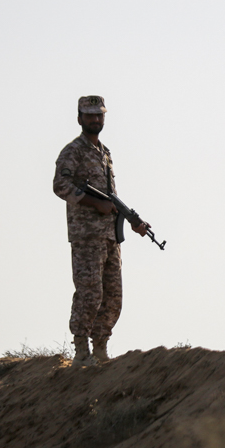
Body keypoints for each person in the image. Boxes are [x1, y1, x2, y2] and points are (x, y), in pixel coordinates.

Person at [52, 96, 149, 367]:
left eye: (99, 115)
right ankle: (82, 351)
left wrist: (132, 220)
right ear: (80, 118)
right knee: (90, 292)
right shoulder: (73, 151)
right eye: (90, 115)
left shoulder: (105, 153)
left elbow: (111, 198)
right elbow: (60, 185)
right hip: (86, 235)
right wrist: (95, 203)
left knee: (113, 295)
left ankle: (101, 347)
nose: (95, 120)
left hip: (109, 236)